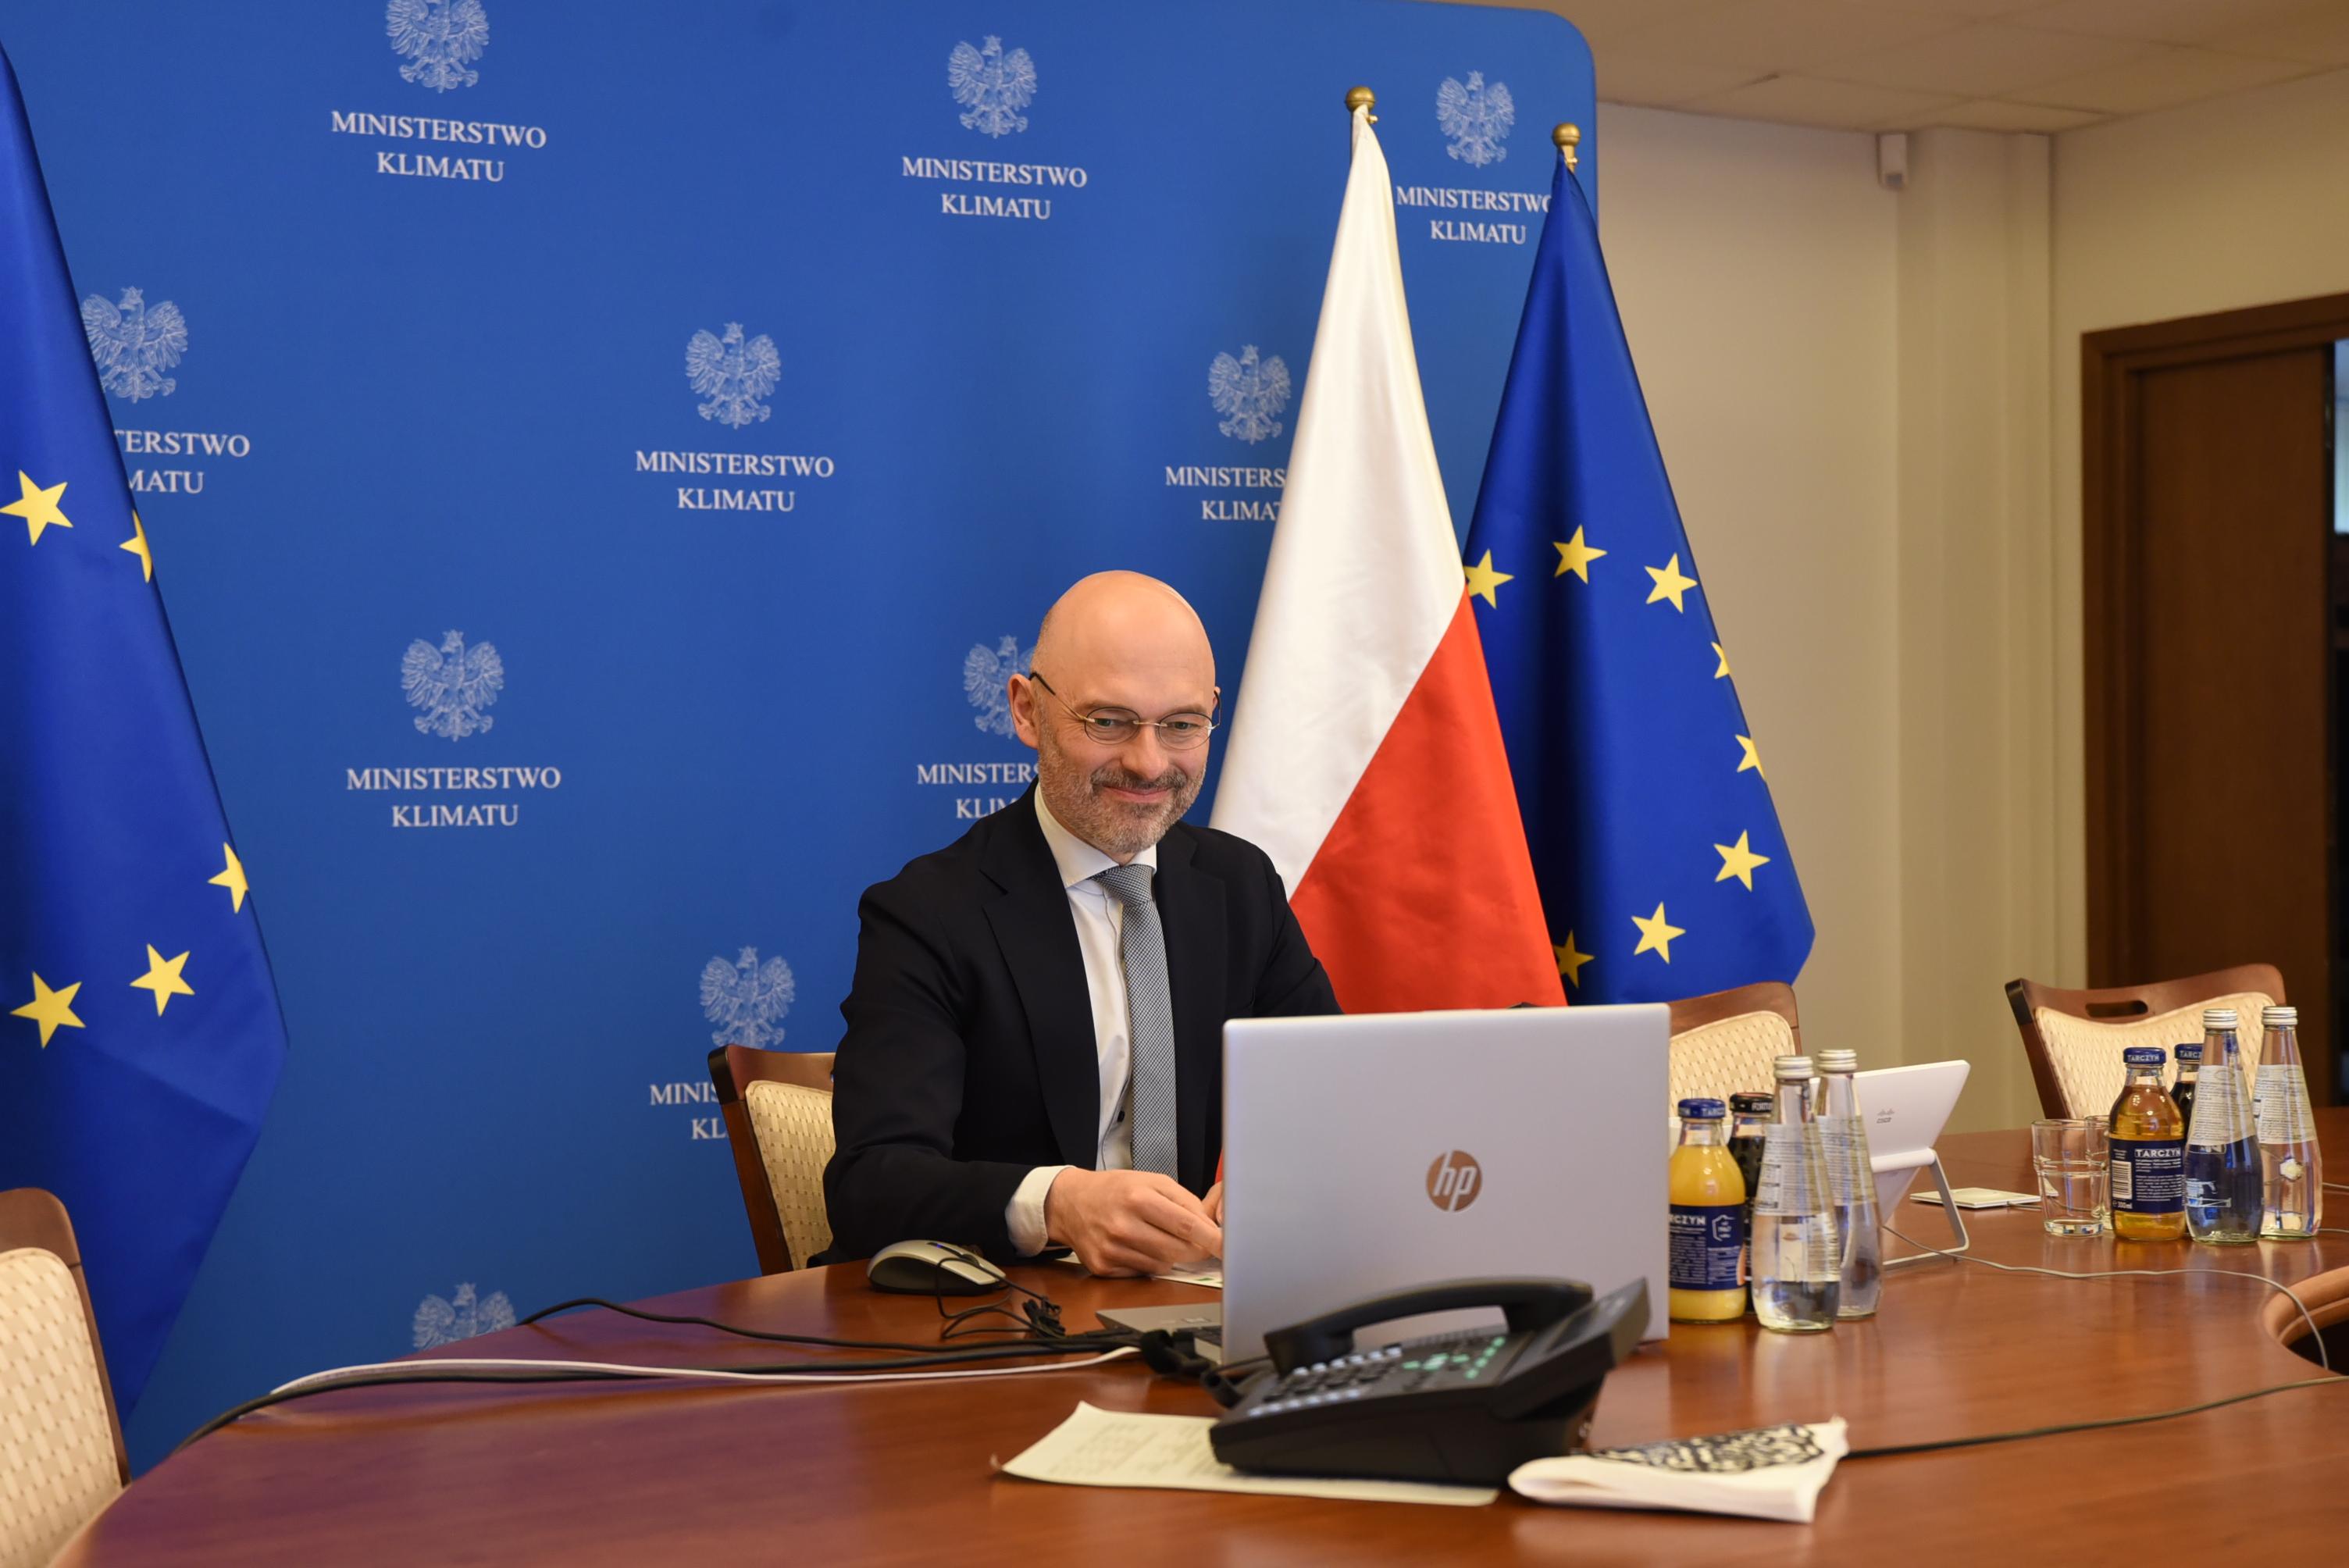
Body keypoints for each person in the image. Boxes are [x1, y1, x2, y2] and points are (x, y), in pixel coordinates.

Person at [821, 572, 1338, 1274]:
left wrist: (1279, 1179)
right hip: (1007, 1314)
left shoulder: (1241, 886)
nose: (1148, 762)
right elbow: (872, 1184)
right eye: (1108, 722)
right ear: (1027, 711)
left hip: (1193, 1301)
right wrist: (1057, 1205)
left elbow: (1331, 1099)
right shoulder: (928, 913)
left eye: (1181, 725)